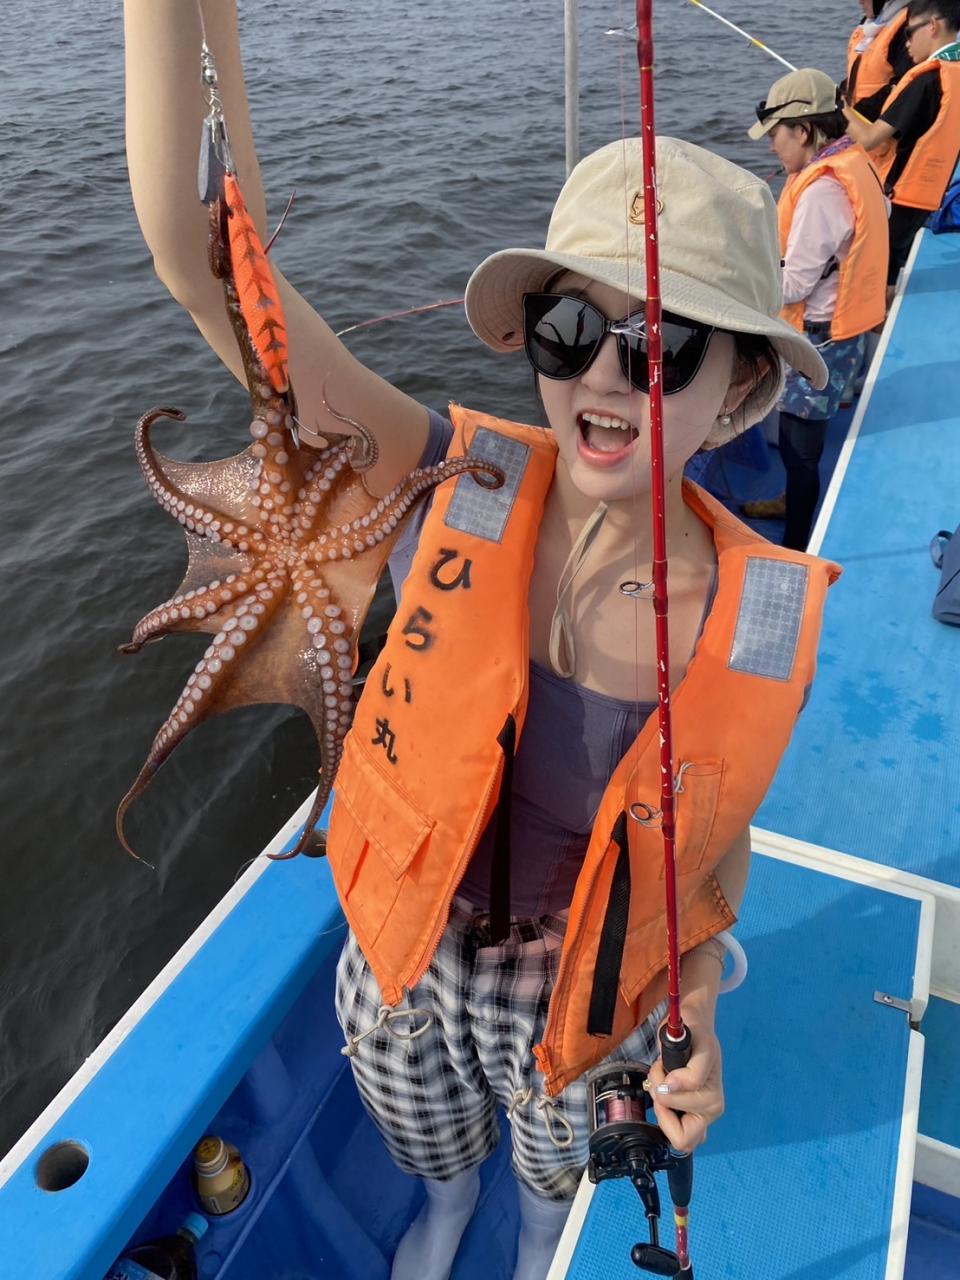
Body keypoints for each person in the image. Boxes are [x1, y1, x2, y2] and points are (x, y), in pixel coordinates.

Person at [124, 5, 839, 1279]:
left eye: (663, 345)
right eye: (569, 329)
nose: (604, 376)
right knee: (426, 1140)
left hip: (576, 992)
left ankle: (529, 1231)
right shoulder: (446, 481)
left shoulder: (746, 625)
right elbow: (204, 263)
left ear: (741, 384)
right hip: (404, 948)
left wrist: (700, 1010)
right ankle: (448, 1206)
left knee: (551, 1174)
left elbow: (704, 856)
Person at [742, 69, 888, 550]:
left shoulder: (822, 192)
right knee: (805, 441)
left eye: (776, 135)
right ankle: (793, 501)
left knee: (799, 450)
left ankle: (796, 541)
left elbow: (794, 285)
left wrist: (738, 275)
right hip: (845, 331)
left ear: (803, 131)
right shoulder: (854, 160)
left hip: (818, 339)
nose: (772, 147)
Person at [844, 0, 960, 292]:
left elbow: (870, 138)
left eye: (909, 33)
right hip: (931, 195)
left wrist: (836, 110)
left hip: (902, 197)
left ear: (932, 26)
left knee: (875, 277)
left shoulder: (927, 80)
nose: (906, 43)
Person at [844, 0, 912, 118]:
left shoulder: (907, 26)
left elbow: (905, 86)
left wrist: (856, 114)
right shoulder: (871, 23)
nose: (860, 2)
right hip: (858, 119)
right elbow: (858, 75)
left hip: (881, 122)